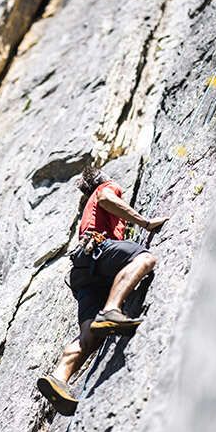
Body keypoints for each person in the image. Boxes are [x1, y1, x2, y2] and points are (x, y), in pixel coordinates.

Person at [36, 165, 169, 415]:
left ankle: (58, 377)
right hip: (97, 251)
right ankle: (111, 309)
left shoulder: (87, 213)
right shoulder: (105, 187)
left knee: (90, 335)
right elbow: (108, 199)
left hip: (82, 271)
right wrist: (145, 223)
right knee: (144, 260)